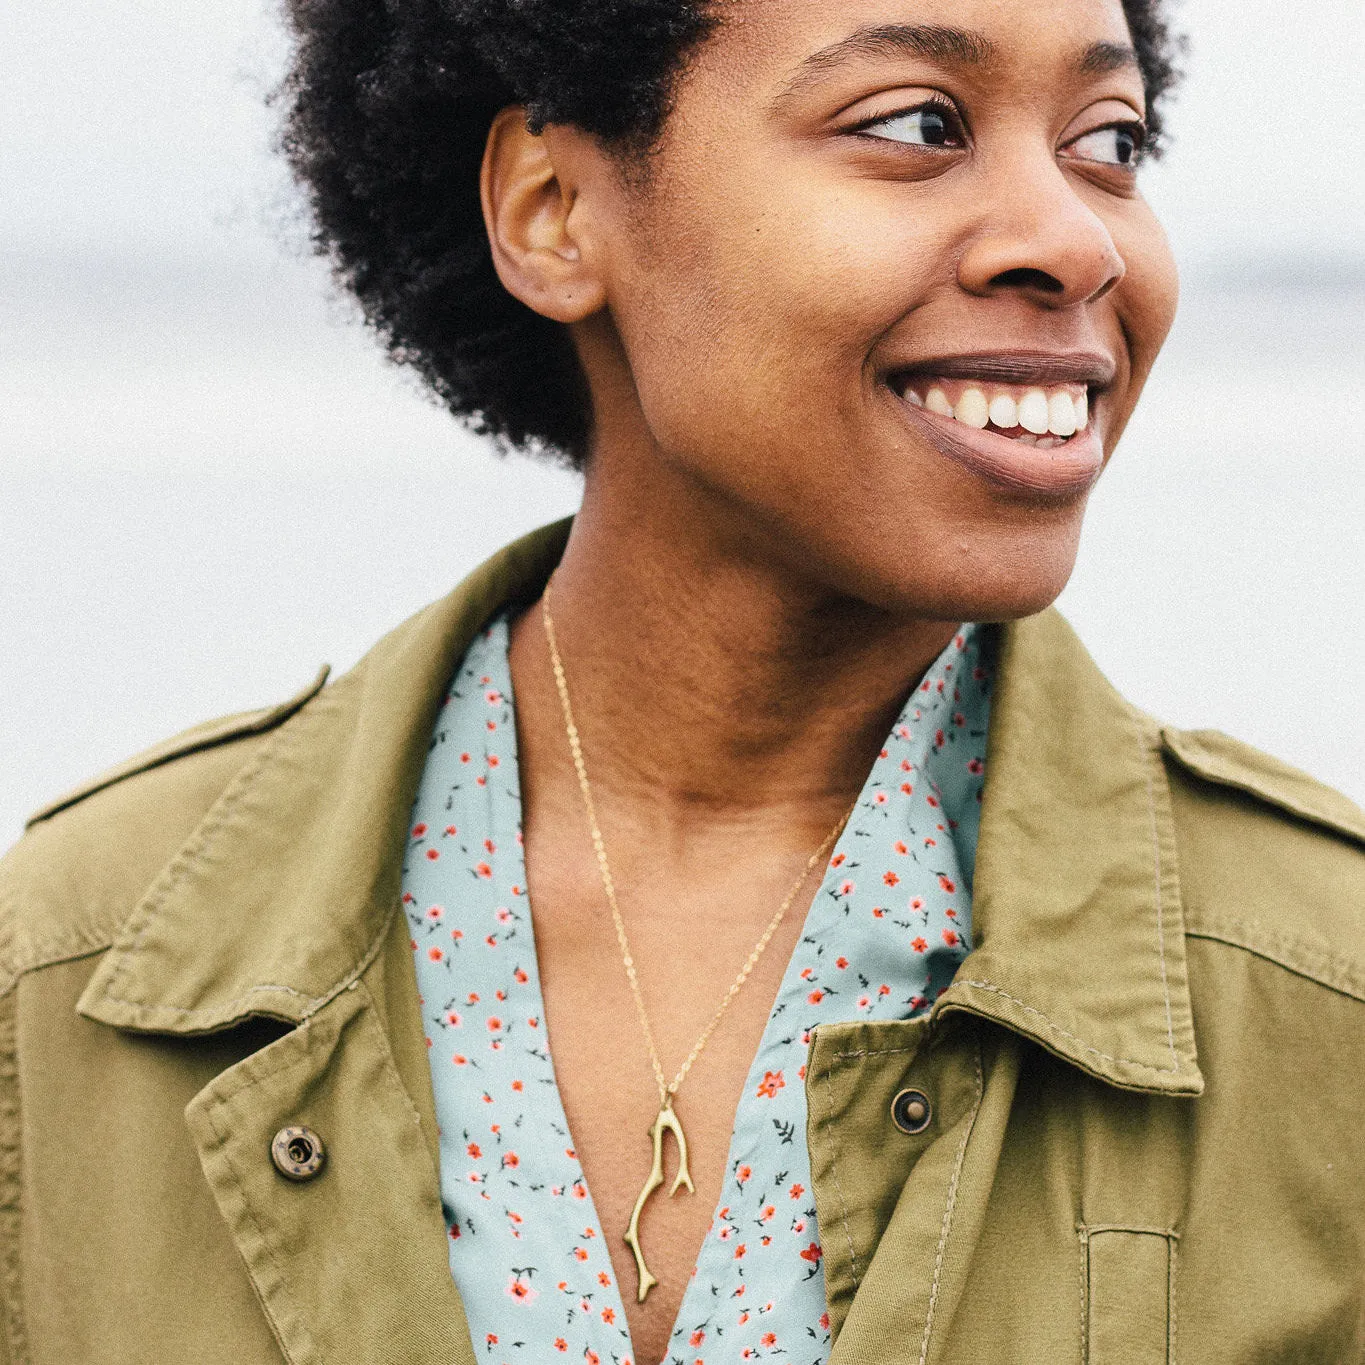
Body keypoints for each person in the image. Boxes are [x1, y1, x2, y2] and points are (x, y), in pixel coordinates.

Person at [2, 0, 1362, 1361]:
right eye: (912, 125)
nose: (1073, 239)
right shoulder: (61, 984)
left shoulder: (1327, 1003)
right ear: (554, 209)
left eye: (1108, 143)